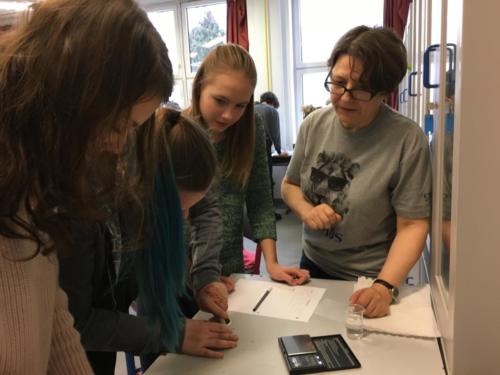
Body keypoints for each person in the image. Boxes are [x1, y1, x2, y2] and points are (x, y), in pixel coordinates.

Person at [0, 0, 173, 373]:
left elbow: (54, 319)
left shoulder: (42, 181)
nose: (119, 146)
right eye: (117, 125)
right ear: (73, 94)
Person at [59, 108, 238, 374]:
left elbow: (202, 209)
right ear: (144, 189)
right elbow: (76, 322)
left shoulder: (160, 182)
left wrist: (205, 278)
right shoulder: (83, 218)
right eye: (177, 210)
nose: (186, 217)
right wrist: (171, 333)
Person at [282, 26, 431, 318]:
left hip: (368, 278)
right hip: (311, 263)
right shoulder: (314, 124)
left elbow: (413, 225)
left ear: (385, 92)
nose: (345, 97)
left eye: (361, 89)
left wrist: (384, 286)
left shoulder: (407, 140)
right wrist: (306, 211)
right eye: (338, 83)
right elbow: (290, 185)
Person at [186, 44, 310, 289]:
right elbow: (169, 221)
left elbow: (260, 200)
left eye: (240, 105)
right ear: (200, 86)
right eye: (220, 101)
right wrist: (199, 275)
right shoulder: (178, 132)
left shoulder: (251, 126)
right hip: (181, 277)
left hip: (232, 272)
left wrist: (272, 264)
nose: (228, 115)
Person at [255, 91, 288, 221]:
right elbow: (275, 133)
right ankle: (269, 215)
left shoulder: (251, 107)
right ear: (273, 103)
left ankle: (256, 215)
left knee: (253, 181)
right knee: (266, 180)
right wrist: (279, 151)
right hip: (263, 146)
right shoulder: (272, 111)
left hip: (245, 148)